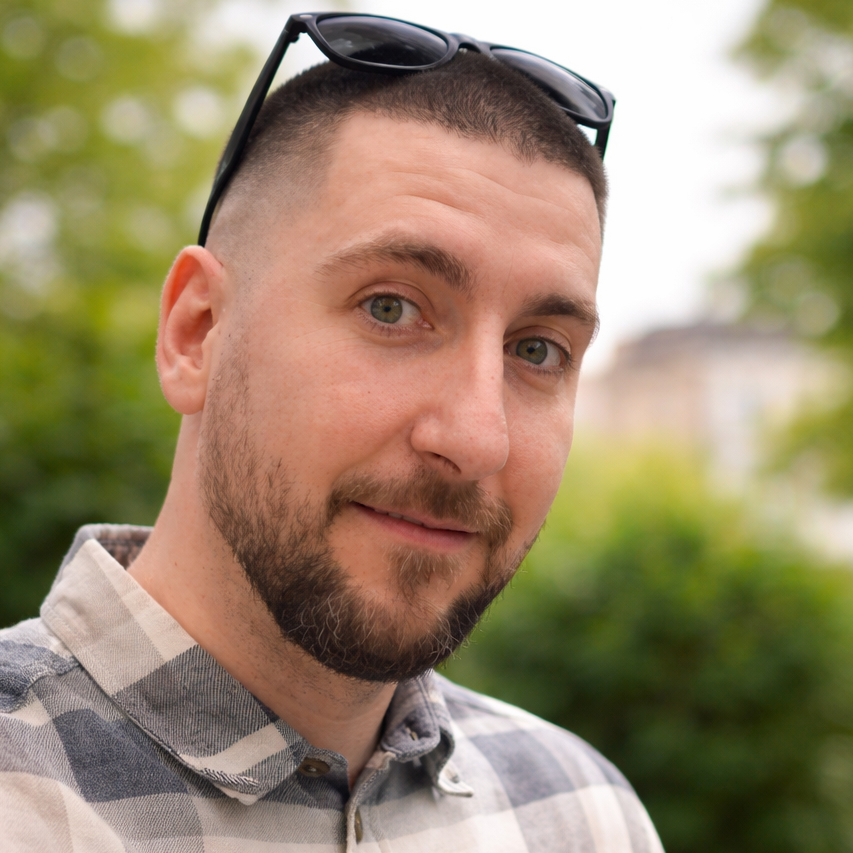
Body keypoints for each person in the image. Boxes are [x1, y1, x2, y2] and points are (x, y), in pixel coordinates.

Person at [0, 13, 663, 852]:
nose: (476, 438)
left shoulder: (583, 814)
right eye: (390, 308)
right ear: (197, 334)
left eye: (537, 350)